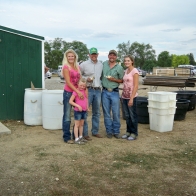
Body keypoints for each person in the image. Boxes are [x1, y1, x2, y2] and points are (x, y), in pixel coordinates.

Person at [79, 47, 103, 140]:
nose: (93, 55)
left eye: (95, 54)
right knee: (85, 111)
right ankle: (85, 133)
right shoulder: (84, 64)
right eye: (92, 54)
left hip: (97, 90)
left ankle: (95, 131)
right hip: (88, 90)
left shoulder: (101, 65)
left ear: (97, 54)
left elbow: (101, 77)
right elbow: (79, 75)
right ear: (89, 55)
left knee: (96, 112)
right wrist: (86, 79)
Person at [101, 50, 124, 139]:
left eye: (114, 55)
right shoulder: (103, 64)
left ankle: (116, 131)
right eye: (110, 55)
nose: (112, 57)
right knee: (106, 113)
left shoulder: (119, 67)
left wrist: (114, 80)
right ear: (108, 56)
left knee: (116, 112)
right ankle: (109, 131)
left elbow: (122, 80)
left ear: (116, 57)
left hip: (114, 92)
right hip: (105, 92)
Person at [62, 49, 83, 144]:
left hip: (76, 92)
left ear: (75, 57)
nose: (70, 57)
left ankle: (76, 136)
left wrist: (81, 89)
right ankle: (66, 136)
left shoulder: (77, 67)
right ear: (66, 57)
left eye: (72, 56)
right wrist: (77, 91)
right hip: (68, 93)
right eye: (69, 56)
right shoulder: (66, 67)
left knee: (78, 114)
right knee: (67, 115)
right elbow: (68, 82)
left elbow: (79, 80)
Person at [121, 55, 139, 140]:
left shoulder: (134, 71)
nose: (126, 62)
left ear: (132, 61)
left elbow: (135, 86)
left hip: (131, 97)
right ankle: (128, 132)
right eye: (125, 61)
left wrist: (131, 98)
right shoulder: (126, 71)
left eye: (128, 60)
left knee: (132, 116)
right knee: (127, 116)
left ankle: (134, 133)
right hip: (124, 96)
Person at [69, 78, 89, 145]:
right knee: (77, 125)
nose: (82, 87)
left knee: (81, 124)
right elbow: (70, 101)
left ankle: (81, 136)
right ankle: (76, 138)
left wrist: (87, 107)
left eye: (84, 86)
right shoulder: (76, 92)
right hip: (77, 111)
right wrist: (78, 106)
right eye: (81, 85)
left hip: (84, 110)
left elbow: (86, 99)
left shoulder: (84, 91)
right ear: (78, 84)